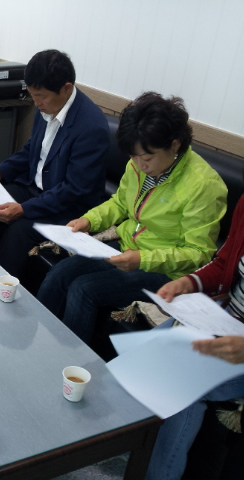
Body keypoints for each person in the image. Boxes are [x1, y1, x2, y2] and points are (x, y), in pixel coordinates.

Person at [37, 92, 228, 347]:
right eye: (133, 157)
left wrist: (142, 259)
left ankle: (72, 361)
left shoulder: (203, 185)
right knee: (59, 274)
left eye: (147, 158)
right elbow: (120, 203)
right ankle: (39, 343)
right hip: (128, 248)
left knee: (84, 289)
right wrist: (89, 220)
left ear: (175, 144)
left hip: (166, 271)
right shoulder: (137, 165)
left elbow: (198, 253)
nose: (139, 165)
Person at [0, 49, 110, 277]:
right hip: (36, 189)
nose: (36, 103)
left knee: (19, 231)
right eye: (32, 95)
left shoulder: (91, 126)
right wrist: (1, 171)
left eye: (41, 96)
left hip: (67, 206)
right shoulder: (48, 106)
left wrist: (24, 209)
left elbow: (74, 190)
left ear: (66, 88)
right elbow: (32, 150)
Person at [144, 195, 244, 479]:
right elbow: (225, 262)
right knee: (147, 350)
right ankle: (136, 449)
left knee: (182, 381)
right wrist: (188, 282)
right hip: (225, 319)